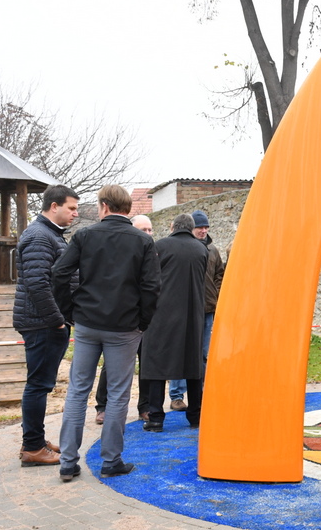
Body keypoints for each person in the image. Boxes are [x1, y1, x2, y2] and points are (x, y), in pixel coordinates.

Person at [52, 185, 160, 482]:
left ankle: (68, 462)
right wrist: (143, 321)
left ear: (103, 206)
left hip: (88, 322)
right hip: (124, 326)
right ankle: (111, 461)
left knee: (77, 390)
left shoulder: (85, 236)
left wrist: (68, 311)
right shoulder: (143, 241)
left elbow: (59, 272)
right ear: (127, 209)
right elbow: (152, 286)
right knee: (118, 394)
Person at [14, 184, 79, 467]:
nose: (75, 214)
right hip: (42, 323)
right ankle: (32, 448)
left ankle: (35, 440)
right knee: (38, 385)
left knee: (40, 384)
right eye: (71, 208)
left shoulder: (49, 234)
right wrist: (57, 322)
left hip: (45, 322)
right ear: (54, 206)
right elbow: (37, 284)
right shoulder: (40, 236)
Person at [141, 214, 208, 432]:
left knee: (157, 364)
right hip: (193, 314)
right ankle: (195, 415)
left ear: (172, 227)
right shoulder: (201, 249)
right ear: (191, 228)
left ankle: (156, 418)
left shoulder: (160, 246)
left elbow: (149, 279)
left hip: (162, 314)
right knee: (193, 365)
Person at [93, 214, 154, 424]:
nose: (148, 233)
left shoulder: (152, 251)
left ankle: (145, 406)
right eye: (143, 230)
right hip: (121, 318)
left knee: (146, 363)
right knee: (111, 364)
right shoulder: (121, 252)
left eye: (150, 229)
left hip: (145, 318)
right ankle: (102, 406)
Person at [167, 210, 224, 409]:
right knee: (180, 353)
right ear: (191, 228)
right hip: (184, 310)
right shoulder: (181, 248)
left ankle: (202, 394)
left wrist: (215, 294)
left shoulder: (213, 250)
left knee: (203, 354)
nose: (203, 230)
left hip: (207, 309)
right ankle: (176, 395)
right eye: (200, 227)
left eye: (206, 227)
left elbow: (219, 274)